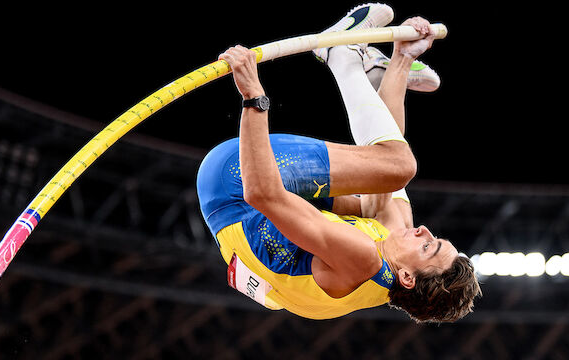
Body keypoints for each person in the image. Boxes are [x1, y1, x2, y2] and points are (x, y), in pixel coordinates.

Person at [196, 3, 481, 322]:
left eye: (428, 247)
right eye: (435, 238)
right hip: (256, 213)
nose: (425, 231)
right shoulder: (388, 263)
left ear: (408, 278)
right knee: (390, 180)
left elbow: (261, 194)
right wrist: (403, 58)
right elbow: (382, 155)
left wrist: (254, 98)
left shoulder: (361, 259)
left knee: (400, 168)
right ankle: (378, 67)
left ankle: (343, 55)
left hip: (234, 183)